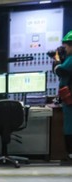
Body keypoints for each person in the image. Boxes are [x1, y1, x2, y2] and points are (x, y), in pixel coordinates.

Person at [53, 31, 72, 165]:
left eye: (65, 47)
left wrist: (57, 60)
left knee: (69, 127)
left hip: (70, 100)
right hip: (68, 98)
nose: (65, 49)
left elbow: (60, 70)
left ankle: (70, 156)